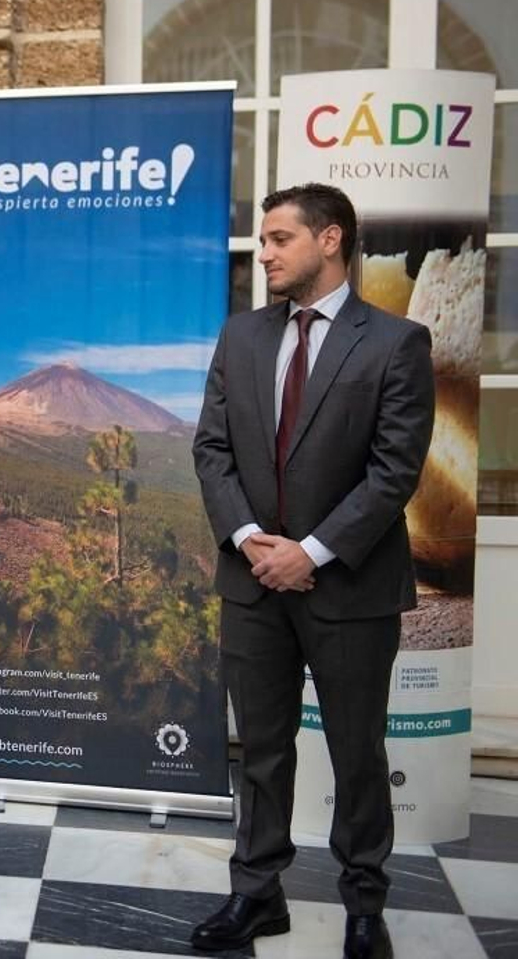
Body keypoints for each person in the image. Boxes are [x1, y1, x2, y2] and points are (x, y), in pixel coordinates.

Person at [191, 184, 434, 958]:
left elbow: (394, 472)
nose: (263, 253)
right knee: (260, 749)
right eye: (262, 240)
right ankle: (257, 894)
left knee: (357, 751)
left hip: (350, 588)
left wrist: (313, 552)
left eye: (277, 239)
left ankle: (364, 902)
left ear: (331, 241)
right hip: (252, 580)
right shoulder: (240, 337)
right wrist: (250, 537)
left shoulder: (397, 343)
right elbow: (212, 449)